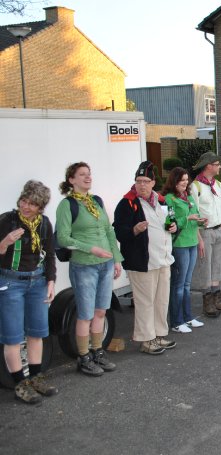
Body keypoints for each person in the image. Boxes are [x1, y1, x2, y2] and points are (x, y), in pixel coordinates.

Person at [56, 162, 123, 376]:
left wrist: (116, 259)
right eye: (82, 174)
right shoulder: (67, 205)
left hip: (105, 265)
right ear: (71, 180)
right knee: (85, 314)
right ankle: (84, 357)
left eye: (89, 174)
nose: (88, 177)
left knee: (101, 311)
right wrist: (91, 249)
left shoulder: (96, 201)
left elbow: (108, 231)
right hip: (84, 266)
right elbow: (63, 238)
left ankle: (97, 352)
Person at [0, 181, 58, 404]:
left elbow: (49, 254)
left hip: (38, 283)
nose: (26, 206)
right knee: (13, 337)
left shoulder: (44, 224)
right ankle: (20, 384)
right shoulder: (7, 220)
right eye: (24, 201)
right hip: (11, 283)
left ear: (40, 207)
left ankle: (36, 378)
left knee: (36, 333)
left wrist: (50, 281)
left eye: (32, 204)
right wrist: (5, 243)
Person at [114, 161, 177, 355]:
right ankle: (146, 339)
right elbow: (118, 232)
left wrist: (174, 227)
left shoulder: (162, 201)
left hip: (163, 260)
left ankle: (159, 334)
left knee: (161, 301)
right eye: (138, 181)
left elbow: (171, 221)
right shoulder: (127, 203)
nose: (141, 185)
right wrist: (134, 230)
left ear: (153, 183)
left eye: (145, 181)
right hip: (142, 262)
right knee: (145, 303)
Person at [190, 151, 221, 316]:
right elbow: (193, 213)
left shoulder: (219, 185)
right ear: (208, 166)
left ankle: (217, 299)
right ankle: (207, 301)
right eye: (217, 164)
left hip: (219, 230)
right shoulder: (195, 186)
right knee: (205, 266)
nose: (219, 167)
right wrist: (199, 239)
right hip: (205, 232)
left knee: (218, 265)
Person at [162, 167, 205, 333]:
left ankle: (187, 317)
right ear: (174, 181)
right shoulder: (169, 198)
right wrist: (187, 218)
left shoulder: (188, 196)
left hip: (192, 241)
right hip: (179, 244)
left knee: (187, 284)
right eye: (182, 180)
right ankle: (176, 321)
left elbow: (196, 214)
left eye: (187, 180)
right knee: (178, 284)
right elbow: (169, 223)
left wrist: (201, 221)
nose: (185, 183)